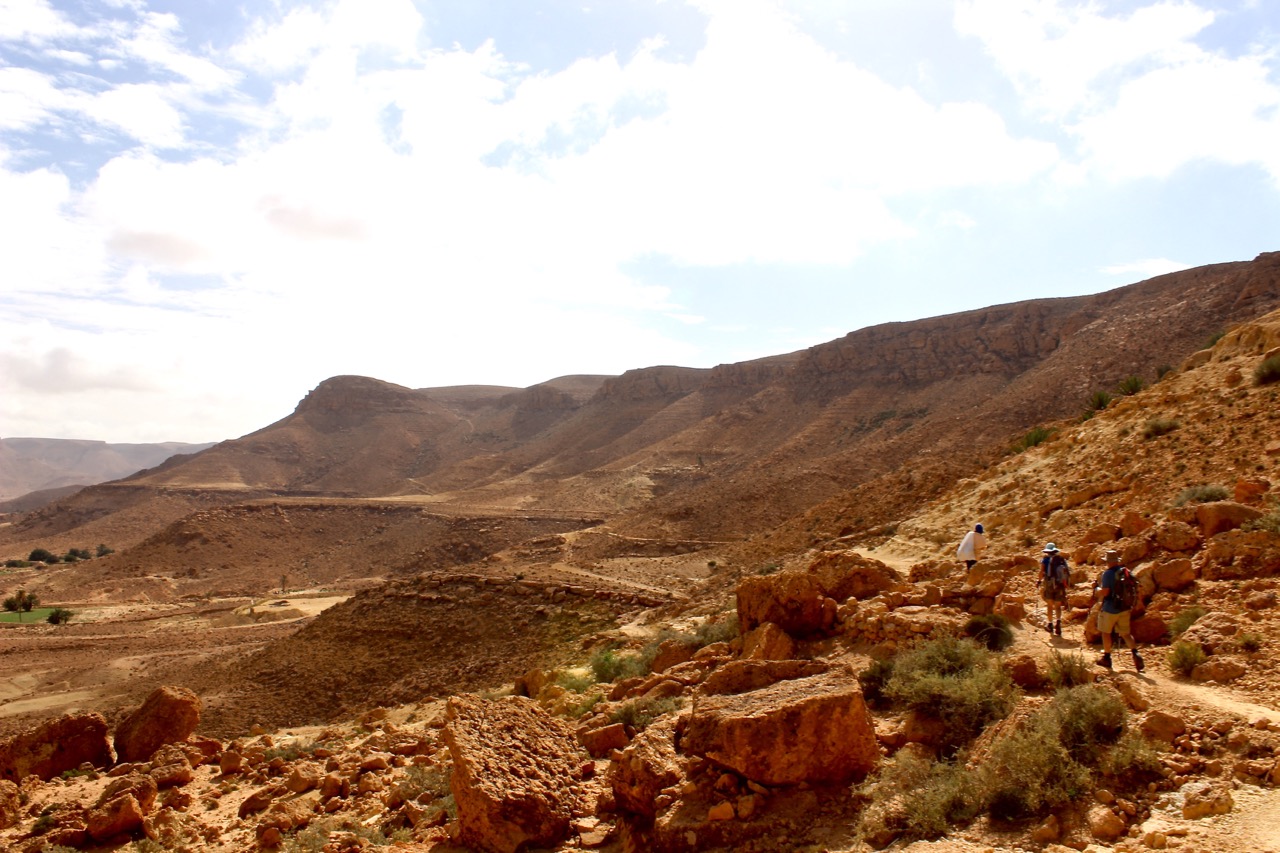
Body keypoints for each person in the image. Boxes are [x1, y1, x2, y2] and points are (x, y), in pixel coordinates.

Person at [1094, 549, 1144, 671]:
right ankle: (1135, 653)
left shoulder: (1108, 574)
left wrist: (1096, 590)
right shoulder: (1125, 571)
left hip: (1110, 609)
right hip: (1124, 608)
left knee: (1106, 633)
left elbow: (1105, 592)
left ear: (1108, 562)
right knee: (1126, 633)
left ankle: (1107, 658)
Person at [1037, 542, 1069, 636]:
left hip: (1049, 584)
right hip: (1060, 585)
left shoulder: (1045, 559)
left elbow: (1041, 572)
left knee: (1050, 605)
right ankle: (1058, 623)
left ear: (1047, 551)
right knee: (1058, 606)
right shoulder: (1061, 559)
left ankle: (1050, 625)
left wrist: (1038, 581)